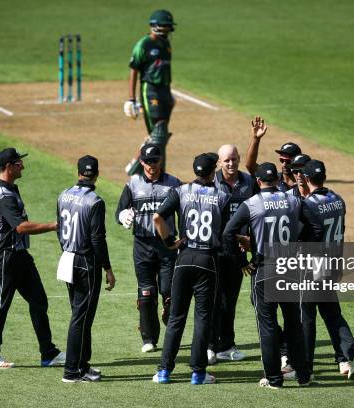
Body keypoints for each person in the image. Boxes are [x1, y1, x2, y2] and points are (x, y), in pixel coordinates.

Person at [222, 162, 311, 389]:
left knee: (268, 326)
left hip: (265, 269)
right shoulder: (293, 200)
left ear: (259, 181)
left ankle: (274, 379)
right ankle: (303, 376)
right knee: (294, 324)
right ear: (276, 180)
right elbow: (309, 226)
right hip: (290, 267)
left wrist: (242, 262)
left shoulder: (251, 203)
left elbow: (228, 233)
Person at [0, 148, 64, 369]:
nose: (22, 166)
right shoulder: (3, 196)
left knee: (39, 301)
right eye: (18, 163)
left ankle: (49, 353)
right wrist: (54, 226)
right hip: (6, 257)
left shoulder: (10, 189)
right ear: (9, 167)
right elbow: (21, 227)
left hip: (20, 257)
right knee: (1, 305)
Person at [152, 153, 230, 385]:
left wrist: (169, 242)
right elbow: (226, 233)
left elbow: (157, 218)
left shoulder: (180, 191)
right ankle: (198, 373)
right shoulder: (222, 196)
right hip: (208, 260)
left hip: (183, 258)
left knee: (176, 317)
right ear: (212, 172)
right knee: (203, 318)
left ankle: (164, 371)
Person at [299, 159, 354, 380]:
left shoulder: (307, 205)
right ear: (324, 177)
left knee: (306, 317)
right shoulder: (338, 200)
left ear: (307, 179)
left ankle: (305, 368)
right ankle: (353, 353)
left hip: (313, 266)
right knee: (332, 314)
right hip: (332, 264)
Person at [115, 144, 181, 352]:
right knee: (146, 294)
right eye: (147, 161)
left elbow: (186, 212)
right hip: (142, 245)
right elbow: (120, 210)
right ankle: (149, 339)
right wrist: (123, 216)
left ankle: (171, 334)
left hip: (167, 246)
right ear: (141, 162)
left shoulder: (173, 184)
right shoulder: (133, 184)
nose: (151, 166)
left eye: (155, 161)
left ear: (160, 160)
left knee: (169, 292)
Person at [57, 155, 116, 383]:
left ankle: (82, 365)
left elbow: (59, 229)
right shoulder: (95, 201)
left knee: (79, 315)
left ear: (78, 172)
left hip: (67, 257)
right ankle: (72, 371)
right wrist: (107, 268)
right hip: (85, 262)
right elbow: (97, 239)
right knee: (81, 318)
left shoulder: (63, 195)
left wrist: (66, 249)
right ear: (97, 174)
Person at [207, 144, 257, 364]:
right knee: (212, 300)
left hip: (238, 254)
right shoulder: (211, 182)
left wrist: (251, 242)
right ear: (219, 162)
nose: (231, 163)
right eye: (226, 160)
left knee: (230, 301)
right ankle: (209, 346)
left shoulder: (249, 183)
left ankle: (226, 345)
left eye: (234, 159)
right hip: (215, 251)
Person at [124, 9, 177, 175]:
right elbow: (134, 70)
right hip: (150, 90)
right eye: (166, 26)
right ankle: (141, 167)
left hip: (164, 91)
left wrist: (169, 94)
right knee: (159, 131)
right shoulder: (144, 44)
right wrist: (131, 99)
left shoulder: (166, 44)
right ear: (156, 26)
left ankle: (147, 166)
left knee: (158, 135)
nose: (169, 30)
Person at [245, 116, 302, 192]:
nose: (284, 164)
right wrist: (256, 139)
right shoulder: (273, 178)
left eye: (288, 161)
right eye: (282, 160)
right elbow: (250, 166)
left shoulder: (304, 182)